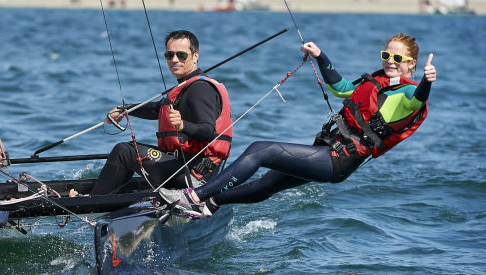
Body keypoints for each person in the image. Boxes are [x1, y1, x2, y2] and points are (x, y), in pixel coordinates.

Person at [160, 33, 437, 217]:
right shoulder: (376, 82)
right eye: (386, 55)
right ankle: (210, 205)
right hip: (331, 153)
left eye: (397, 59)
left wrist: (427, 81)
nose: (390, 62)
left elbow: (419, 99)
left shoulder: (409, 94)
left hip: (337, 160)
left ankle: (194, 197)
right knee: (269, 183)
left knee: (260, 151)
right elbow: (341, 87)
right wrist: (320, 55)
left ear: (410, 64)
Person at [71, 30, 233, 196]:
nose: (174, 60)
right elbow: (157, 109)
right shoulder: (186, 87)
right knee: (130, 154)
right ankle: (111, 196)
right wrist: (126, 109)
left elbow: (209, 132)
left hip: (194, 175)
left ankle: (94, 202)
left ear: (195, 55)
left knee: (124, 152)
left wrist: (183, 125)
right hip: (182, 167)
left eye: (181, 55)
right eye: (169, 55)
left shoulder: (199, 89)